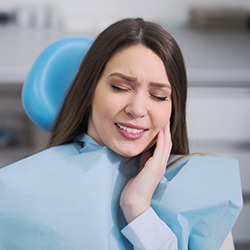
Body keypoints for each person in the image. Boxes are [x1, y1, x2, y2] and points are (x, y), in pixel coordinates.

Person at [0, 18, 242, 249]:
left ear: (172, 108)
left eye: (158, 96)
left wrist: (138, 208)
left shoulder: (202, 196)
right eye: (120, 87)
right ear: (89, 91)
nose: (137, 109)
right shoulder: (18, 193)